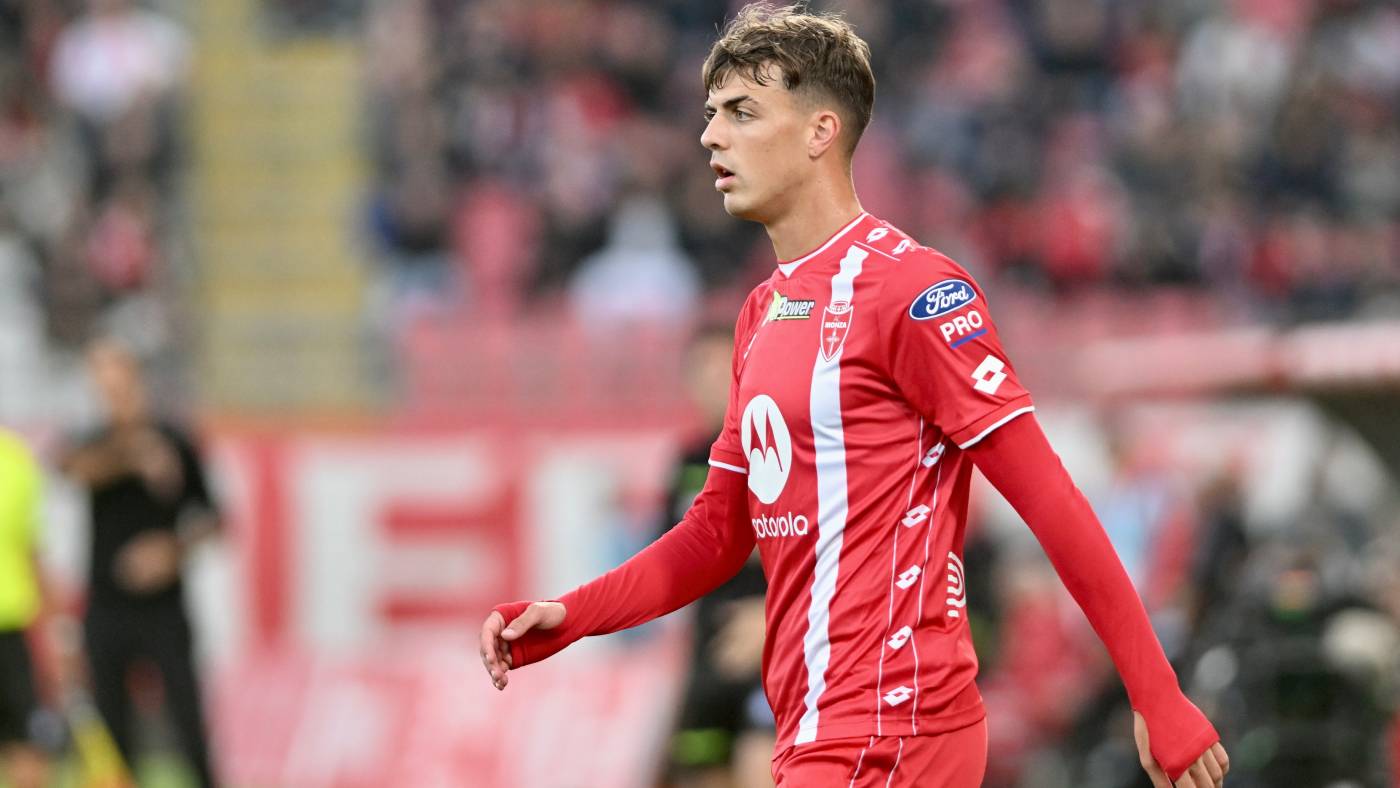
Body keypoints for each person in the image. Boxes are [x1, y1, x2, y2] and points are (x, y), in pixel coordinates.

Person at [482, 6, 1230, 787]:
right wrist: (570, 617)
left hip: (894, 725)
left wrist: (1156, 692)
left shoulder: (915, 291)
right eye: (710, 114)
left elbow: (1050, 500)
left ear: (820, 131)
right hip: (815, 731)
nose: (711, 136)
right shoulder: (760, 314)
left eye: (742, 112)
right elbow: (715, 533)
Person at [60, 340, 219, 787]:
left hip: (163, 608)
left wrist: (172, 549)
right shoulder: (95, 440)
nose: (110, 390)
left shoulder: (175, 439)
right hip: (106, 606)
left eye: (116, 377)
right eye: (101, 380)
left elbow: (211, 516)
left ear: (135, 378)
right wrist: (133, 453)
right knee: (113, 730)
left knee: (189, 725)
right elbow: (74, 469)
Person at [659, 325, 774, 788]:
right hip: (709, 652)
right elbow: (669, 555)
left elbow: (817, 546)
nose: (711, 381)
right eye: (700, 370)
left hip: (771, 644)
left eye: (721, 368)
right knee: (698, 772)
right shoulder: (687, 461)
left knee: (761, 767)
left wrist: (773, 616)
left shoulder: (778, 447)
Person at [0, 428, 53, 788]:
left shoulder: (17, 461)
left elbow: (33, 551)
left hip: (12, 628)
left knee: (25, 747)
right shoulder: (17, 459)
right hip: (12, 634)